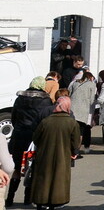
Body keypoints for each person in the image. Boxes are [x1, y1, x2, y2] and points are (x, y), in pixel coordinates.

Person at [5, 77, 55, 206]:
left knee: (16, 168)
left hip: (19, 135)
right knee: (32, 167)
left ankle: (10, 198)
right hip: (34, 137)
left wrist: (18, 128)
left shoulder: (20, 98)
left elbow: (14, 117)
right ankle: (28, 198)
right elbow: (46, 120)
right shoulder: (46, 100)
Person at [30, 96, 82, 210]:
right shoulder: (72, 123)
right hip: (63, 156)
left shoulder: (45, 121)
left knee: (43, 178)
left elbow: (35, 138)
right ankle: (55, 203)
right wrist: (74, 152)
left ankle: (40, 201)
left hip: (44, 155)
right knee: (58, 179)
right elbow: (75, 142)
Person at [68, 70, 97, 154]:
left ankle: (69, 149)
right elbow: (92, 100)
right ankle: (76, 151)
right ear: (90, 77)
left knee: (71, 130)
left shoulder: (75, 83)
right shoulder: (92, 85)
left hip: (72, 109)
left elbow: (69, 93)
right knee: (81, 131)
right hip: (84, 110)